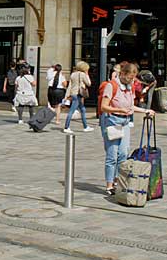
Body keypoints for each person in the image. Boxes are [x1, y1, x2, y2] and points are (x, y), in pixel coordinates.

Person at [97, 62, 154, 194]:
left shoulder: (130, 87)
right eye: (128, 78)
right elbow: (103, 107)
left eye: (132, 78)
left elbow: (130, 106)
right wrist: (119, 109)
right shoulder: (112, 86)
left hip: (125, 122)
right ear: (122, 74)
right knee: (112, 154)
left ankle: (119, 180)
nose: (130, 81)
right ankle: (109, 185)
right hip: (112, 121)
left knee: (123, 154)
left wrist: (145, 110)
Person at [63, 61, 92, 132]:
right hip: (78, 94)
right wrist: (87, 75)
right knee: (72, 111)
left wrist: (66, 95)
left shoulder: (73, 74)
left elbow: (70, 86)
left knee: (83, 109)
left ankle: (86, 126)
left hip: (73, 93)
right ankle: (66, 127)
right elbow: (89, 83)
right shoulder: (82, 74)